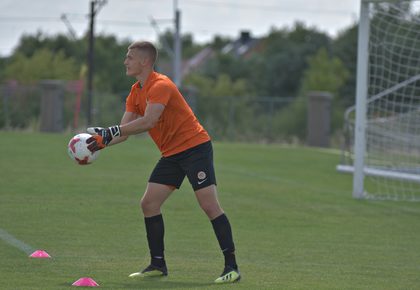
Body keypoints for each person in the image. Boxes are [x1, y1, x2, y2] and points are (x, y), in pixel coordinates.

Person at [86, 41, 240, 284]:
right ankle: (158, 264)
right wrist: (100, 141)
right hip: (172, 153)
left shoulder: (161, 85)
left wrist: (110, 131)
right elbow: (124, 132)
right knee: (149, 203)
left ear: (145, 61)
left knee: (209, 206)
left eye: (129, 57)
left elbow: (148, 122)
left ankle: (232, 267)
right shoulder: (135, 91)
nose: (125, 61)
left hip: (195, 148)